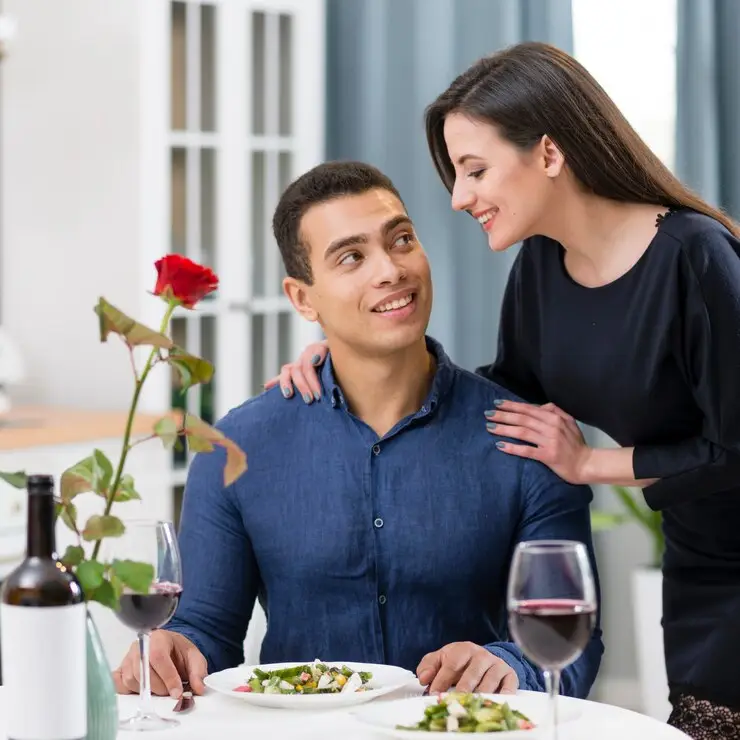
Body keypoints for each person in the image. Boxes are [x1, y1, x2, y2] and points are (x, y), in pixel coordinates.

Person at [266, 43, 740, 739]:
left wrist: (590, 465)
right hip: (702, 563)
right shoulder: (542, 269)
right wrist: (349, 356)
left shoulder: (696, 257)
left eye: (475, 170)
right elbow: (500, 399)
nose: (459, 199)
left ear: (548, 153)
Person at [113, 160, 603, 701]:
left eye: (401, 240)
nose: (390, 270)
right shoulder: (236, 446)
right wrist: (170, 654)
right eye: (351, 257)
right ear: (303, 298)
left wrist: (507, 664)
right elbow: (207, 632)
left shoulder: (526, 439)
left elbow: (573, 643)